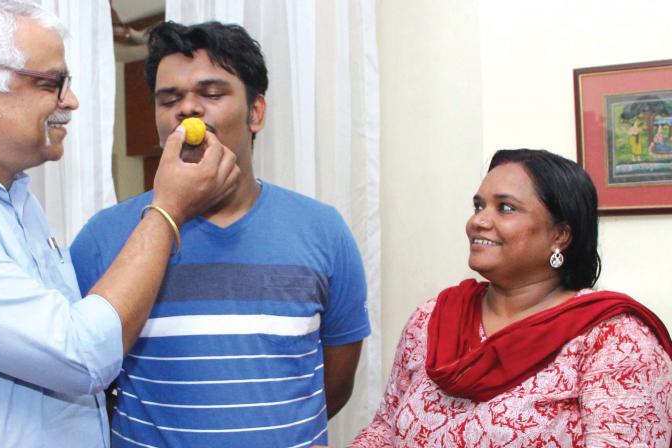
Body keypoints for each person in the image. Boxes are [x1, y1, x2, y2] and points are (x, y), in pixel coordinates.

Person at [0, 2, 239, 447]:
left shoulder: (13, 196)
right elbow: (82, 356)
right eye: (53, 83)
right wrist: (167, 210)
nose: (71, 101)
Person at [71, 21, 370, 448]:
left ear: (256, 112)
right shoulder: (103, 237)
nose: (187, 110)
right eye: (168, 98)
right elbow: (80, 374)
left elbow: (332, 382)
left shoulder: (323, 231)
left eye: (211, 94)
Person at [351, 149, 672, 447]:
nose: (478, 221)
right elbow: (385, 429)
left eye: (506, 208)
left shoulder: (614, 341)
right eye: (479, 206)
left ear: (560, 235)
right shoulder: (432, 319)